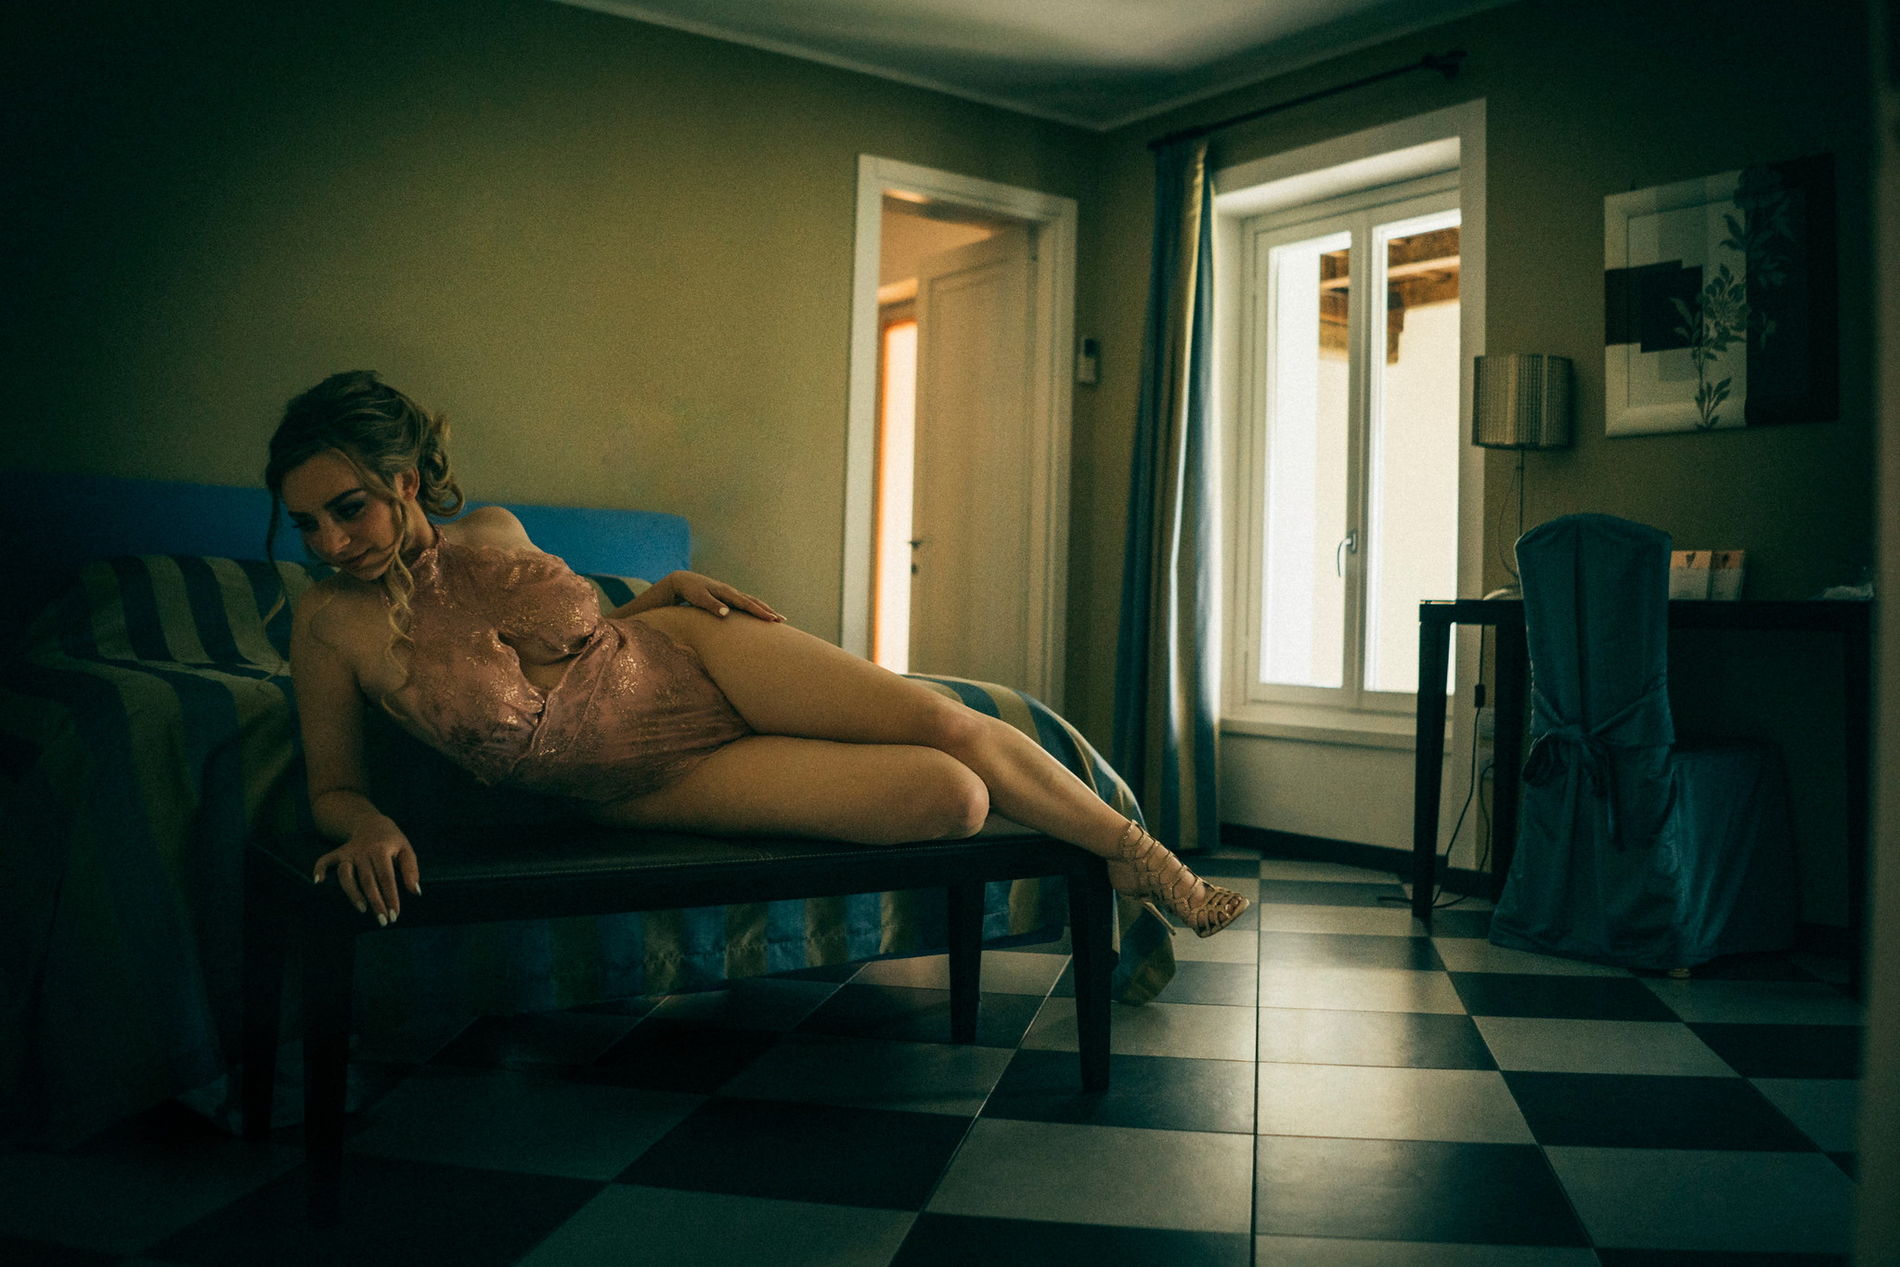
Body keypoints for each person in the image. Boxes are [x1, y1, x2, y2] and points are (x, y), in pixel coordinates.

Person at [266, 370, 1247, 939]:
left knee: (945, 717)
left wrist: (660, 594)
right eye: (306, 523)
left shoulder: (495, 528)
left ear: (404, 479)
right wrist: (366, 827)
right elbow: (333, 785)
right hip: (642, 781)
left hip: (689, 650)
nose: (330, 542)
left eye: (347, 509)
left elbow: (580, 635)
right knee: (953, 798)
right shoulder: (327, 624)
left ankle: (1144, 860)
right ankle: (1107, 849)